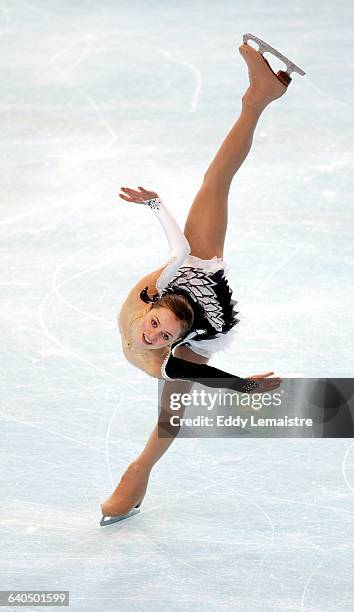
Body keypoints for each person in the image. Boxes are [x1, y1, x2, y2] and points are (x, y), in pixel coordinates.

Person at [100, 36, 302, 525]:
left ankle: (137, 473)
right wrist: (152, 201)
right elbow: (176, 246)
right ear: (153, 305)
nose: (153, 333)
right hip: (193, 269)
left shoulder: (183, 348)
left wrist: (241, 387)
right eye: (156, 326)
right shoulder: (166, 281)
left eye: (162, 334)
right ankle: (257, 100)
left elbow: (194, 368)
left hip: (200, 321)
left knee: (171, 413)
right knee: (215, 183)